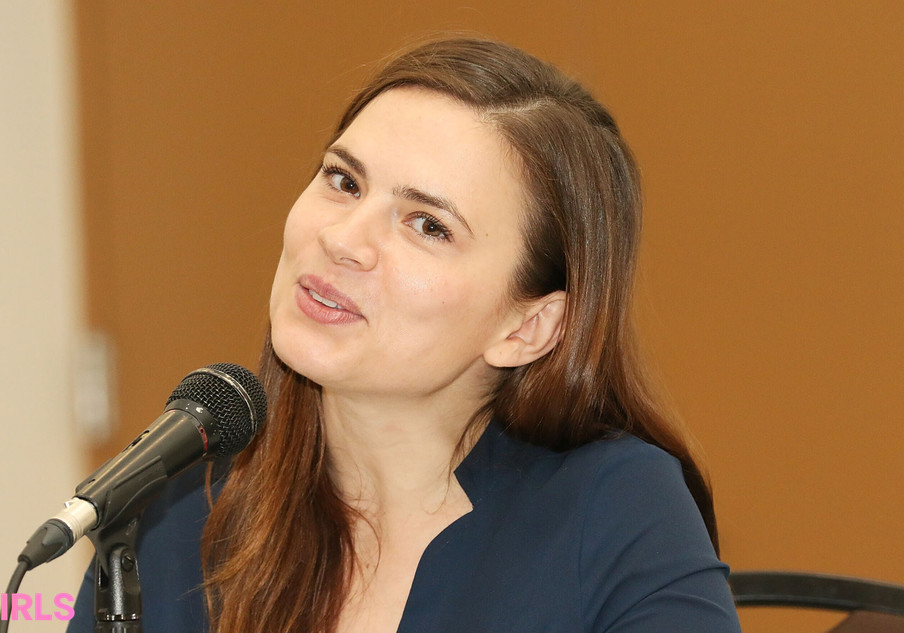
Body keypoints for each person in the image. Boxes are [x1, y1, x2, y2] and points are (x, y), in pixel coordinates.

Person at [68, 37, 742, 633]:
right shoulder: (179, 509)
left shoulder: (614, 507)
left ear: (527, 326)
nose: (343, 239)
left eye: (428, 225)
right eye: (343, 180)